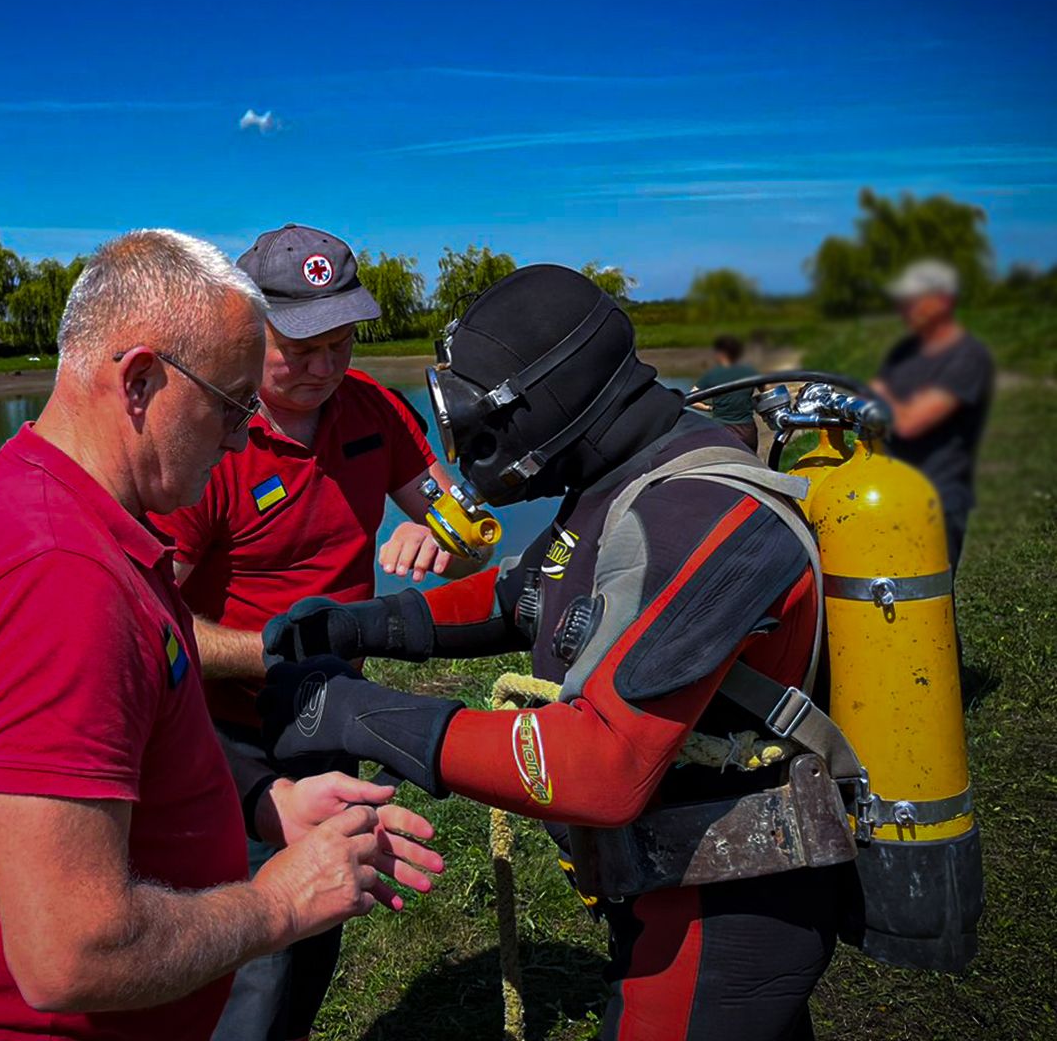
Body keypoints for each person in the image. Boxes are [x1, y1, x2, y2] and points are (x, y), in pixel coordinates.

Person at [0, 229, 440, 1040]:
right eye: (232, 407)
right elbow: (72, 953)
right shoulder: (59, 582)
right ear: (139, 382)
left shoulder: (68, 514)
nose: (243, 439)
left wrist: (267, 804)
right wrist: (279, 901)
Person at [261, 264, 846, 1041]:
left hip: (726, 899)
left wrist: (355, 712)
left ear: (551, 396)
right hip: (669, 869)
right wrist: (358, 626)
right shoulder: (621, 469)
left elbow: (598, 767)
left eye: (481, 423)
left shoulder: (699, 512)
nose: (469, 448)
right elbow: (528, 594)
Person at [150, 222, 482, 1041]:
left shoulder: (373, 409)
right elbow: (150, 624)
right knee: (252, 966)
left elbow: (470, 519)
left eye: (339, 343)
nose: (325, 369)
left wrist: (445, 532)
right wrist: (268, 652)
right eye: (299, 348)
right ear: (247, 327)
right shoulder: (211, 441)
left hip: (330, 719)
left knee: (322, 925)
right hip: (228, 738)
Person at [871, 259, 994, 571]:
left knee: (929, 599)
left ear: (944, 301)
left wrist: (882, 395)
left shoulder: (968, 357)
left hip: (937, 498)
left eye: (912, 300)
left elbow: (910, 423)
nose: (904, 308)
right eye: (902, 301)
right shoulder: (904, 350)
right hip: (893, 492)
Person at [689, 334, 761, 450]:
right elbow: (768, 390)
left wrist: (709, 408)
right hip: (747, 429)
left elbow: (692, 399)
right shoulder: (750, 371)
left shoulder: (712, 374)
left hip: (722, 429)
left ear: (720, 353)